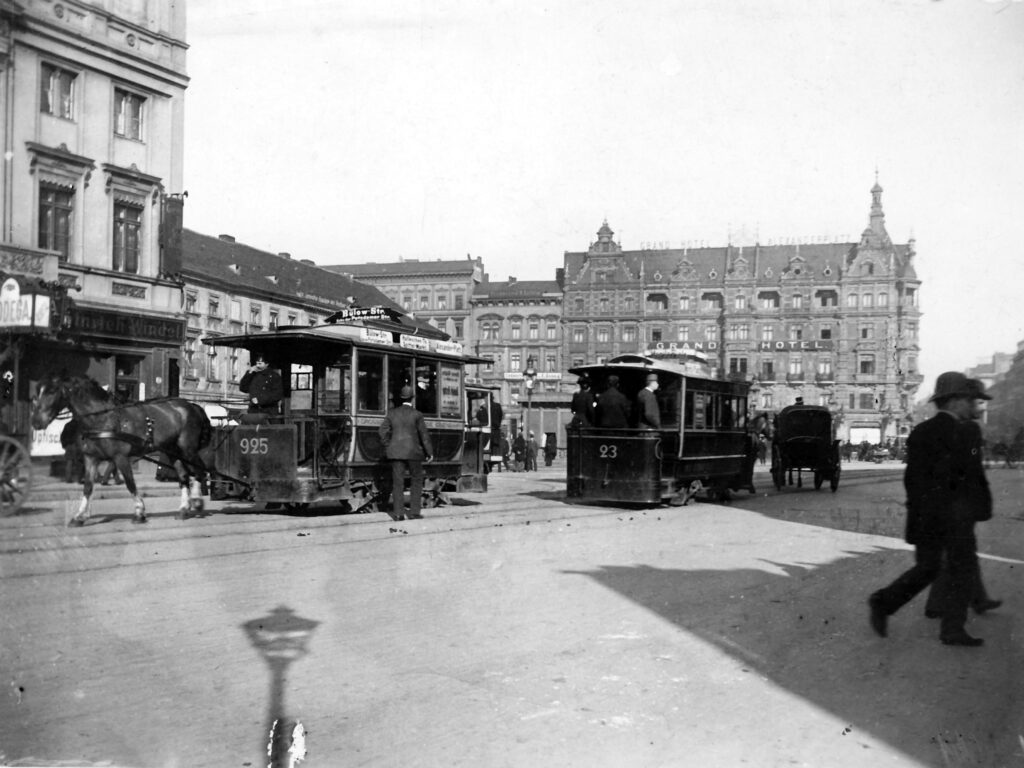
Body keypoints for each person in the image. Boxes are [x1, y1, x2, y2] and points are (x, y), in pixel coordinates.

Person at [868, 372, 991, 647]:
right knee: (959, 570)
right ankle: (951, 629)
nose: (972, 403)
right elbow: (972, 473)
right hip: (954, 516)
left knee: (929, 568)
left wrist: (924, 511)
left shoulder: (922, 431)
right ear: (956, 400)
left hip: (928, 516)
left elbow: (913, 480)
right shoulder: (966, 432)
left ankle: (884, 602)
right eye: (968, 399)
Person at [923, 378, 1001, 620]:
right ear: (961, 402)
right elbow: (972, 469)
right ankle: (949, 611)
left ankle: (971, 600)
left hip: (947, 503)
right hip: (960, 504)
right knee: (960, 554)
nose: (980, 407)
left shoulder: (958, 427)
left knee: (958, 552)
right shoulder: (969, 429)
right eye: (976, 402)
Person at [379, 385, 433, 520]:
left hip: (396, 453)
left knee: (398, 482)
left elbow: (381, 432)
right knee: (416, 480)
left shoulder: (392, 413)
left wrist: (389, 445)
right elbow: (424, 436)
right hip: (414, 453)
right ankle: (414, 512)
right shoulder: (417, 414)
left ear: (401, 398)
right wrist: (429, 453)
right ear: (412, 398)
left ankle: (398, 514)